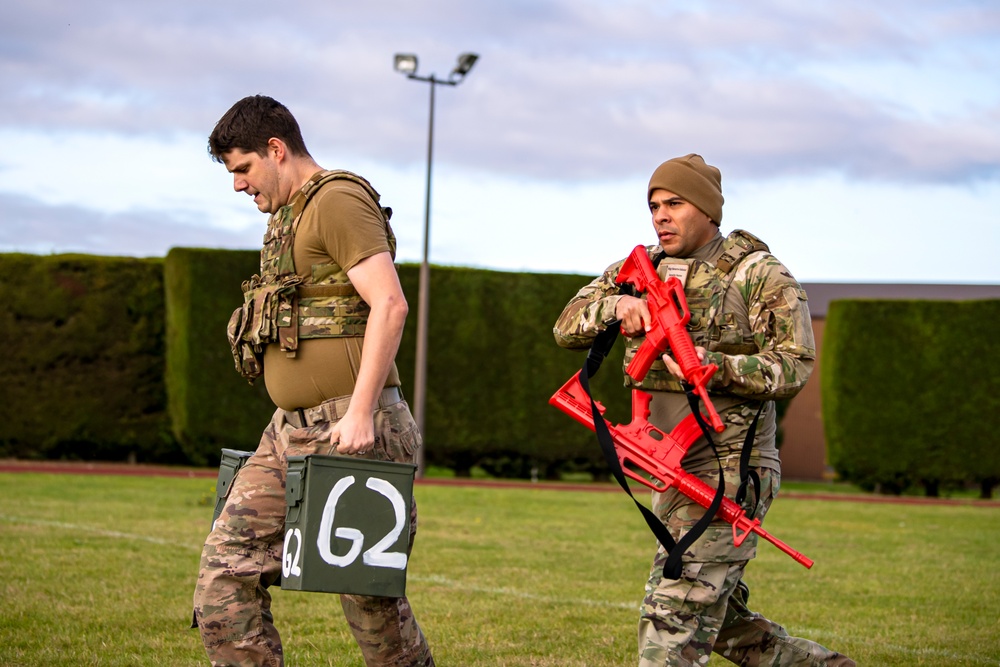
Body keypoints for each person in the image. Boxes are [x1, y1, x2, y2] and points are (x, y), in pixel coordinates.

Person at [552, 154, 854, 667]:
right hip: (667, 466)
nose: (660, 216)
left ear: (708, 209)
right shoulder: (635, 269)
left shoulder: (758, 275)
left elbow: (796, 364)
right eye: (653, 205)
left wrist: (717, 367)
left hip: (730, 469)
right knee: (723, 625)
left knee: (674, 612)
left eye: (675, 203)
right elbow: (565, 326)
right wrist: (616, 308)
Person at [192, 95, 434, 667]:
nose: (238, 186)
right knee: (224, 574)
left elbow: (390, 305)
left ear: (276, 149)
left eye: (244, 169)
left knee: (371, 605)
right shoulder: (287, 217)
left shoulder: (338, 200)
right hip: (288, 432)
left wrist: (359, 412)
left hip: (355, 427)